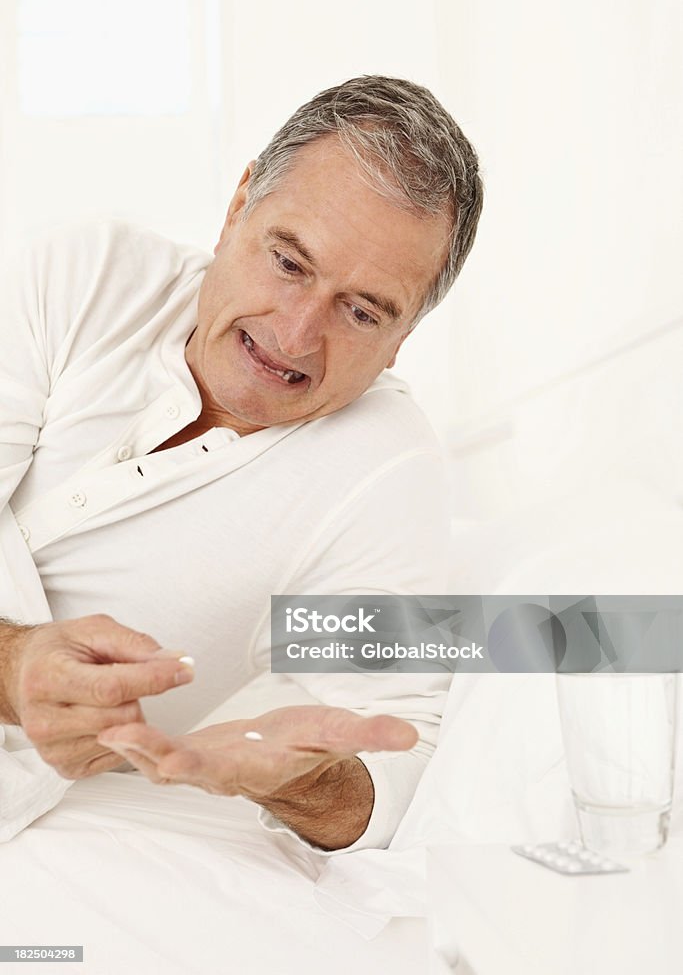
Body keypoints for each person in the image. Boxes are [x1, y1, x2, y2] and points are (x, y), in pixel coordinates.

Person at [0, 76, 483, 851]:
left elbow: (401, 757)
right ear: (238, 206)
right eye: (289, 263)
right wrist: (14, 664)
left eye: (360, 312)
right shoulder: (88, 275)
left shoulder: (383, 467)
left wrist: (302, 781)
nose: (294, 335)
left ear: (405, 336)